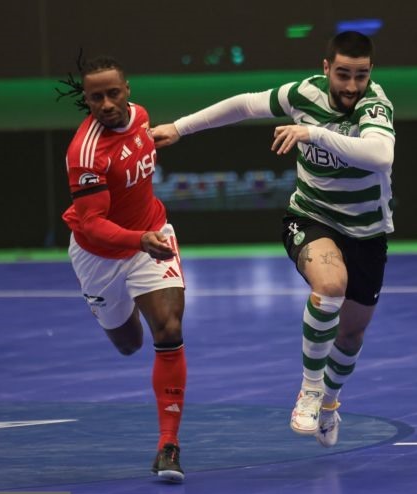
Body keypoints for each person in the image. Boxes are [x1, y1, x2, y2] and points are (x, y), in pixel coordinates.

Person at [152, 31, 394, 448]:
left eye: (360, 76)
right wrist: (179, 127)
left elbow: (380, 155)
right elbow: (245, 104)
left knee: (351, 336)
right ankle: (310, 390)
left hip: (368, 232)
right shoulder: (304, 94)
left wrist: (312, 134)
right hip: (312, 217)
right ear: (326, 69)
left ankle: (330, 403)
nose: (351, 86)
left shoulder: (376, 105)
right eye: (342, 75)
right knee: (330, 286)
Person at [59, 56, 187, 482]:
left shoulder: (141, 117)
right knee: (129, 343)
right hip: (99, 256)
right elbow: (93, 223)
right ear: (87, 101)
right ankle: (120, 307)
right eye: (96, 97)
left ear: (127, 89)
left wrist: (145, 238)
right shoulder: (84, 152)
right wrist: (137, 240)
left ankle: (168, 446)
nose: (107, 103)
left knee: (168, 329)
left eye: (113, 93)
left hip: (151, 235)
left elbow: (138, 150)